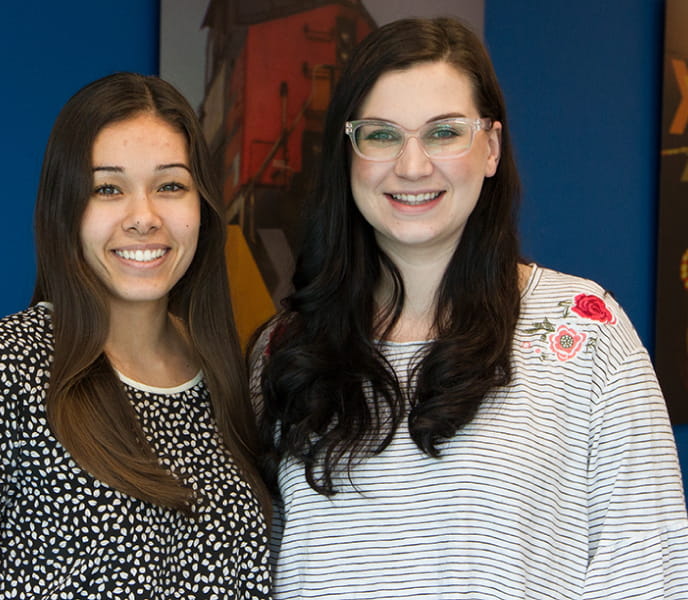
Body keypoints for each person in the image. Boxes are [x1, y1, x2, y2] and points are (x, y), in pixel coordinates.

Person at [251, 17, 688, 600]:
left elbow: (649, 575)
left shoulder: (586, 333)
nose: (411, 166)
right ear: (347, 153)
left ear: (491, 148)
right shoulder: (286, 350)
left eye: (444, 132)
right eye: (381, 134)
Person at [0, 72, 271, 599]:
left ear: (203, 208)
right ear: (67, 209)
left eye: (170, 185)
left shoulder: (228, 379)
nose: (144, 218)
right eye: (108, 188)